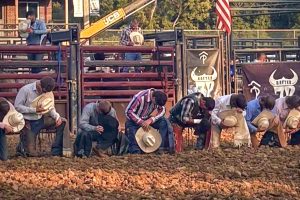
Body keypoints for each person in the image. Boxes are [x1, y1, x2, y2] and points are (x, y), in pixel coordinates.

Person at [14, 76, 71, 157]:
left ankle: (56, 150)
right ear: (39, 85)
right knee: (31, 153)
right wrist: (34, 110)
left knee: (63, 121)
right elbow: (17, 107)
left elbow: (50, 107)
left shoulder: (48, 92)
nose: (44, 93)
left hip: (42, 119)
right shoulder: (25, 90)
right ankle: (22, 147)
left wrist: (56, 116)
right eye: (44, 91)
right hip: (28, 122)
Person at [125, 89, 174, 154]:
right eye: (156, 104)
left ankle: (163, 147)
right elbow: (128, 112)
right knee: (134, 144)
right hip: (134, 121)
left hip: (147, 118)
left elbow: (162, 110)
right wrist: (141, 122)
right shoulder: (139, 98)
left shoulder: (158, 96)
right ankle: (135, 151)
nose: (157, 105)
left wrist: (151, 120)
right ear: (153, 98)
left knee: (164, 122)